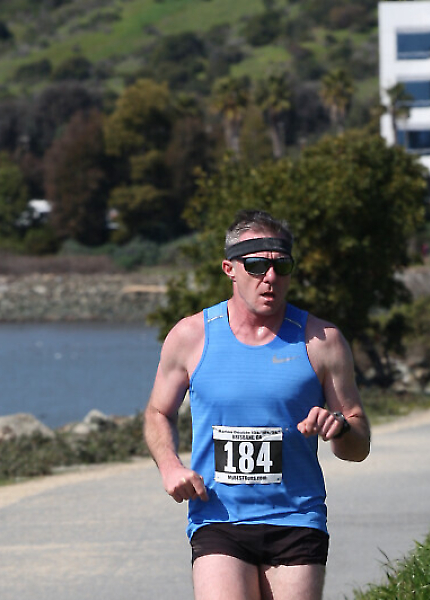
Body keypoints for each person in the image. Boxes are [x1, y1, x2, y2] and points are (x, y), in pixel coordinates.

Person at [144, 210, 371, 600]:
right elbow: (157, 412)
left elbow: (358, 446)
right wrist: (170, 466)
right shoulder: (191, 336)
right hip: (218, 518)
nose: (270, 278)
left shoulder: (322, 341)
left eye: (282, 266)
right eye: (256, 266)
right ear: (229, 269)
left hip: (297, 519)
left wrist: (341, 427)